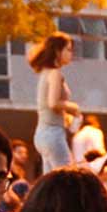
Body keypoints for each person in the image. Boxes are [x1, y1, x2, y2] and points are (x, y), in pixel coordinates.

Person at [29, 32, 79, 173]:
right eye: (68, 50)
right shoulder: (54, 73)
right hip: (52, 133)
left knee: (52, 178)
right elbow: (53, 103)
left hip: (43, 132)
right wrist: (74, 108)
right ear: (57, 51)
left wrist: (66, 117)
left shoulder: (46, 72)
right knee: (66, 176)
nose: (71, 54)